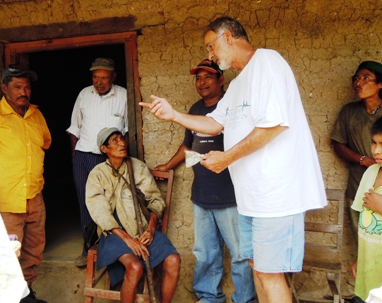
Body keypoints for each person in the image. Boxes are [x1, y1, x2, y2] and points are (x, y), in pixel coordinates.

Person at [140, 16, 327, 303]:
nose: (209, 54)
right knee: (258, 269)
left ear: (228, 36)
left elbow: (274, 125)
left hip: (277, 196)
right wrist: (174, 114)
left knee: (271, 274)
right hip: (253, 200)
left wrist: (227, 157)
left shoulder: (267, 62)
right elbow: (214, 123)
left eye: (210, 45)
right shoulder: (240, 83)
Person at [153, 59, 256, 303]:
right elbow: (188, 146)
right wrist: (168, 165)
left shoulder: (233, 109)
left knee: (241, 253)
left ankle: (245, 299)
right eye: (198, 78)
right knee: (205, 252)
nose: (202, 82)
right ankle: (209, 297)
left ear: (221, 80)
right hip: (202, 195)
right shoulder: (196, 109)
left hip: (231, 196)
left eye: (208, 77)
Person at [85, 127, 180, 303]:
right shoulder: (97, 174)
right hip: (114, 234)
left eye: (121, 138)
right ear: (103, 148)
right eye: (114, 140)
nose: (121, 143)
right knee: (135, 267)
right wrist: (127, 239)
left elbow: (156, 200)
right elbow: (99, 211)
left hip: (142, 229)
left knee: (173, 260)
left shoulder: (137, 167)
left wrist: (151, 229)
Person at [0, 64, 52, 303]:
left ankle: (26, 294)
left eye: (27, 87)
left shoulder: (35, 114)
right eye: (17, 86)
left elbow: (45, 144)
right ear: (4, 88)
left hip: (34, 196)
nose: (24, 91)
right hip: (7, 198)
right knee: (7, 255)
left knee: (33, 250)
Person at [66, 57, 128, 267]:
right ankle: (88, 250)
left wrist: (119, 156)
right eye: (95, 77)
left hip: (111, 159)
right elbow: (74, 129)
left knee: (114, 203)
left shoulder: (123, 95)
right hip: (85, 157)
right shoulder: (84, 94)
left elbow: (128, 130)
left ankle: (115, 250)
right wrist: (76, 157)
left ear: (113, 77)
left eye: (104, 77)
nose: (99, 82)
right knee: (87, 204)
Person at [331, 61, 382, 239]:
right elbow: (338, 144)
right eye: (356, 79)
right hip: (358, 186)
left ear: (380, 83)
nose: (358, 83)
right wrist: (362, 160)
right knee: (362, 240)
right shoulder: (349, 112)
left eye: (366, 78)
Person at [350, 116, 382, 303]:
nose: (377, 150)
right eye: (374, 143)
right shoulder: (370, 172)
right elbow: (363, 223)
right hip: (368, 265)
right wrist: (358, 258)